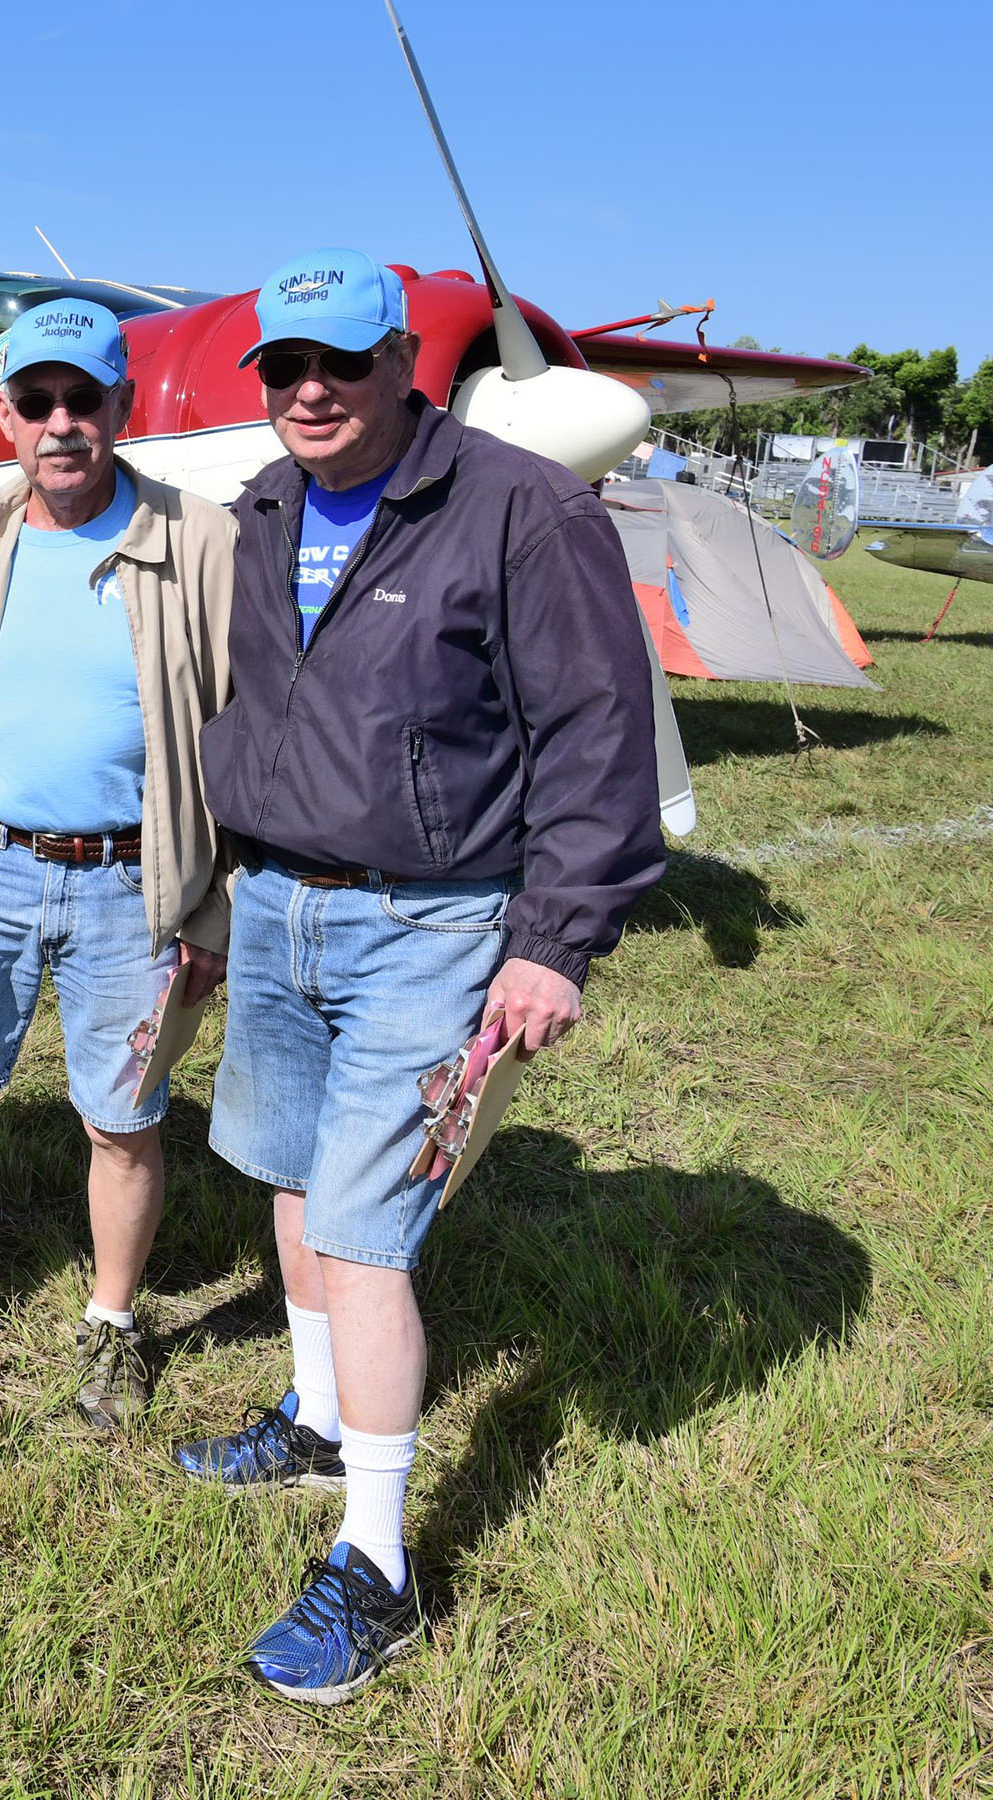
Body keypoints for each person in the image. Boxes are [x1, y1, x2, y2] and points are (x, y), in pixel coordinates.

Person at [181, 249, 663, 1702]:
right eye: (283, 368)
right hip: (276, 904)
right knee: (285, 1179)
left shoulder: (523, 510)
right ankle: (318, 1415)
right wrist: (219, 888)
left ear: (401, 363)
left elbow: (595, 731)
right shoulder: (263, 508)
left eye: (339, 361)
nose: (310, 391)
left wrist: (554, 941)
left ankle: (378, 1563)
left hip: (436, 922)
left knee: (369, 1231)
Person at [0, 299, 239, 1432]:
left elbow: (242, 723)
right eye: (35, 401)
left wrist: (213, 907)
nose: (61, 422)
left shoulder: (202, 539)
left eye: (83, 399)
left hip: (132, 883)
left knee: (121, 1122)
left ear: (121, 408)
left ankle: (113, 1322)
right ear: (5, 417)